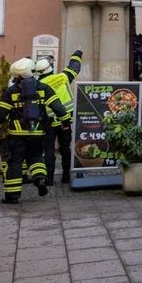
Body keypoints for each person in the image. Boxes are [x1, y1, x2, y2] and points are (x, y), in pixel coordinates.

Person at [0, 58, 67, 204]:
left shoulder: (11, 92)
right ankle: (40, 178)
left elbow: (0, 115)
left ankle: (12, 196)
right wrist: (66, 122)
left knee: (15, 162)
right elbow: (59, 108)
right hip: (37, 133)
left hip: (16, 135)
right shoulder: (44, 88)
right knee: (36, 158)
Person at [37, 50, 84, 186]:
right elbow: (74, 67)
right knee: (65, 148)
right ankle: (65, 176)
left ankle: (49, 178)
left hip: (49, 122)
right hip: (66, 120)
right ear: (50, 69)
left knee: (49, 150)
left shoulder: (39, 85)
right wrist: (77, 55)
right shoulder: (63, 77)